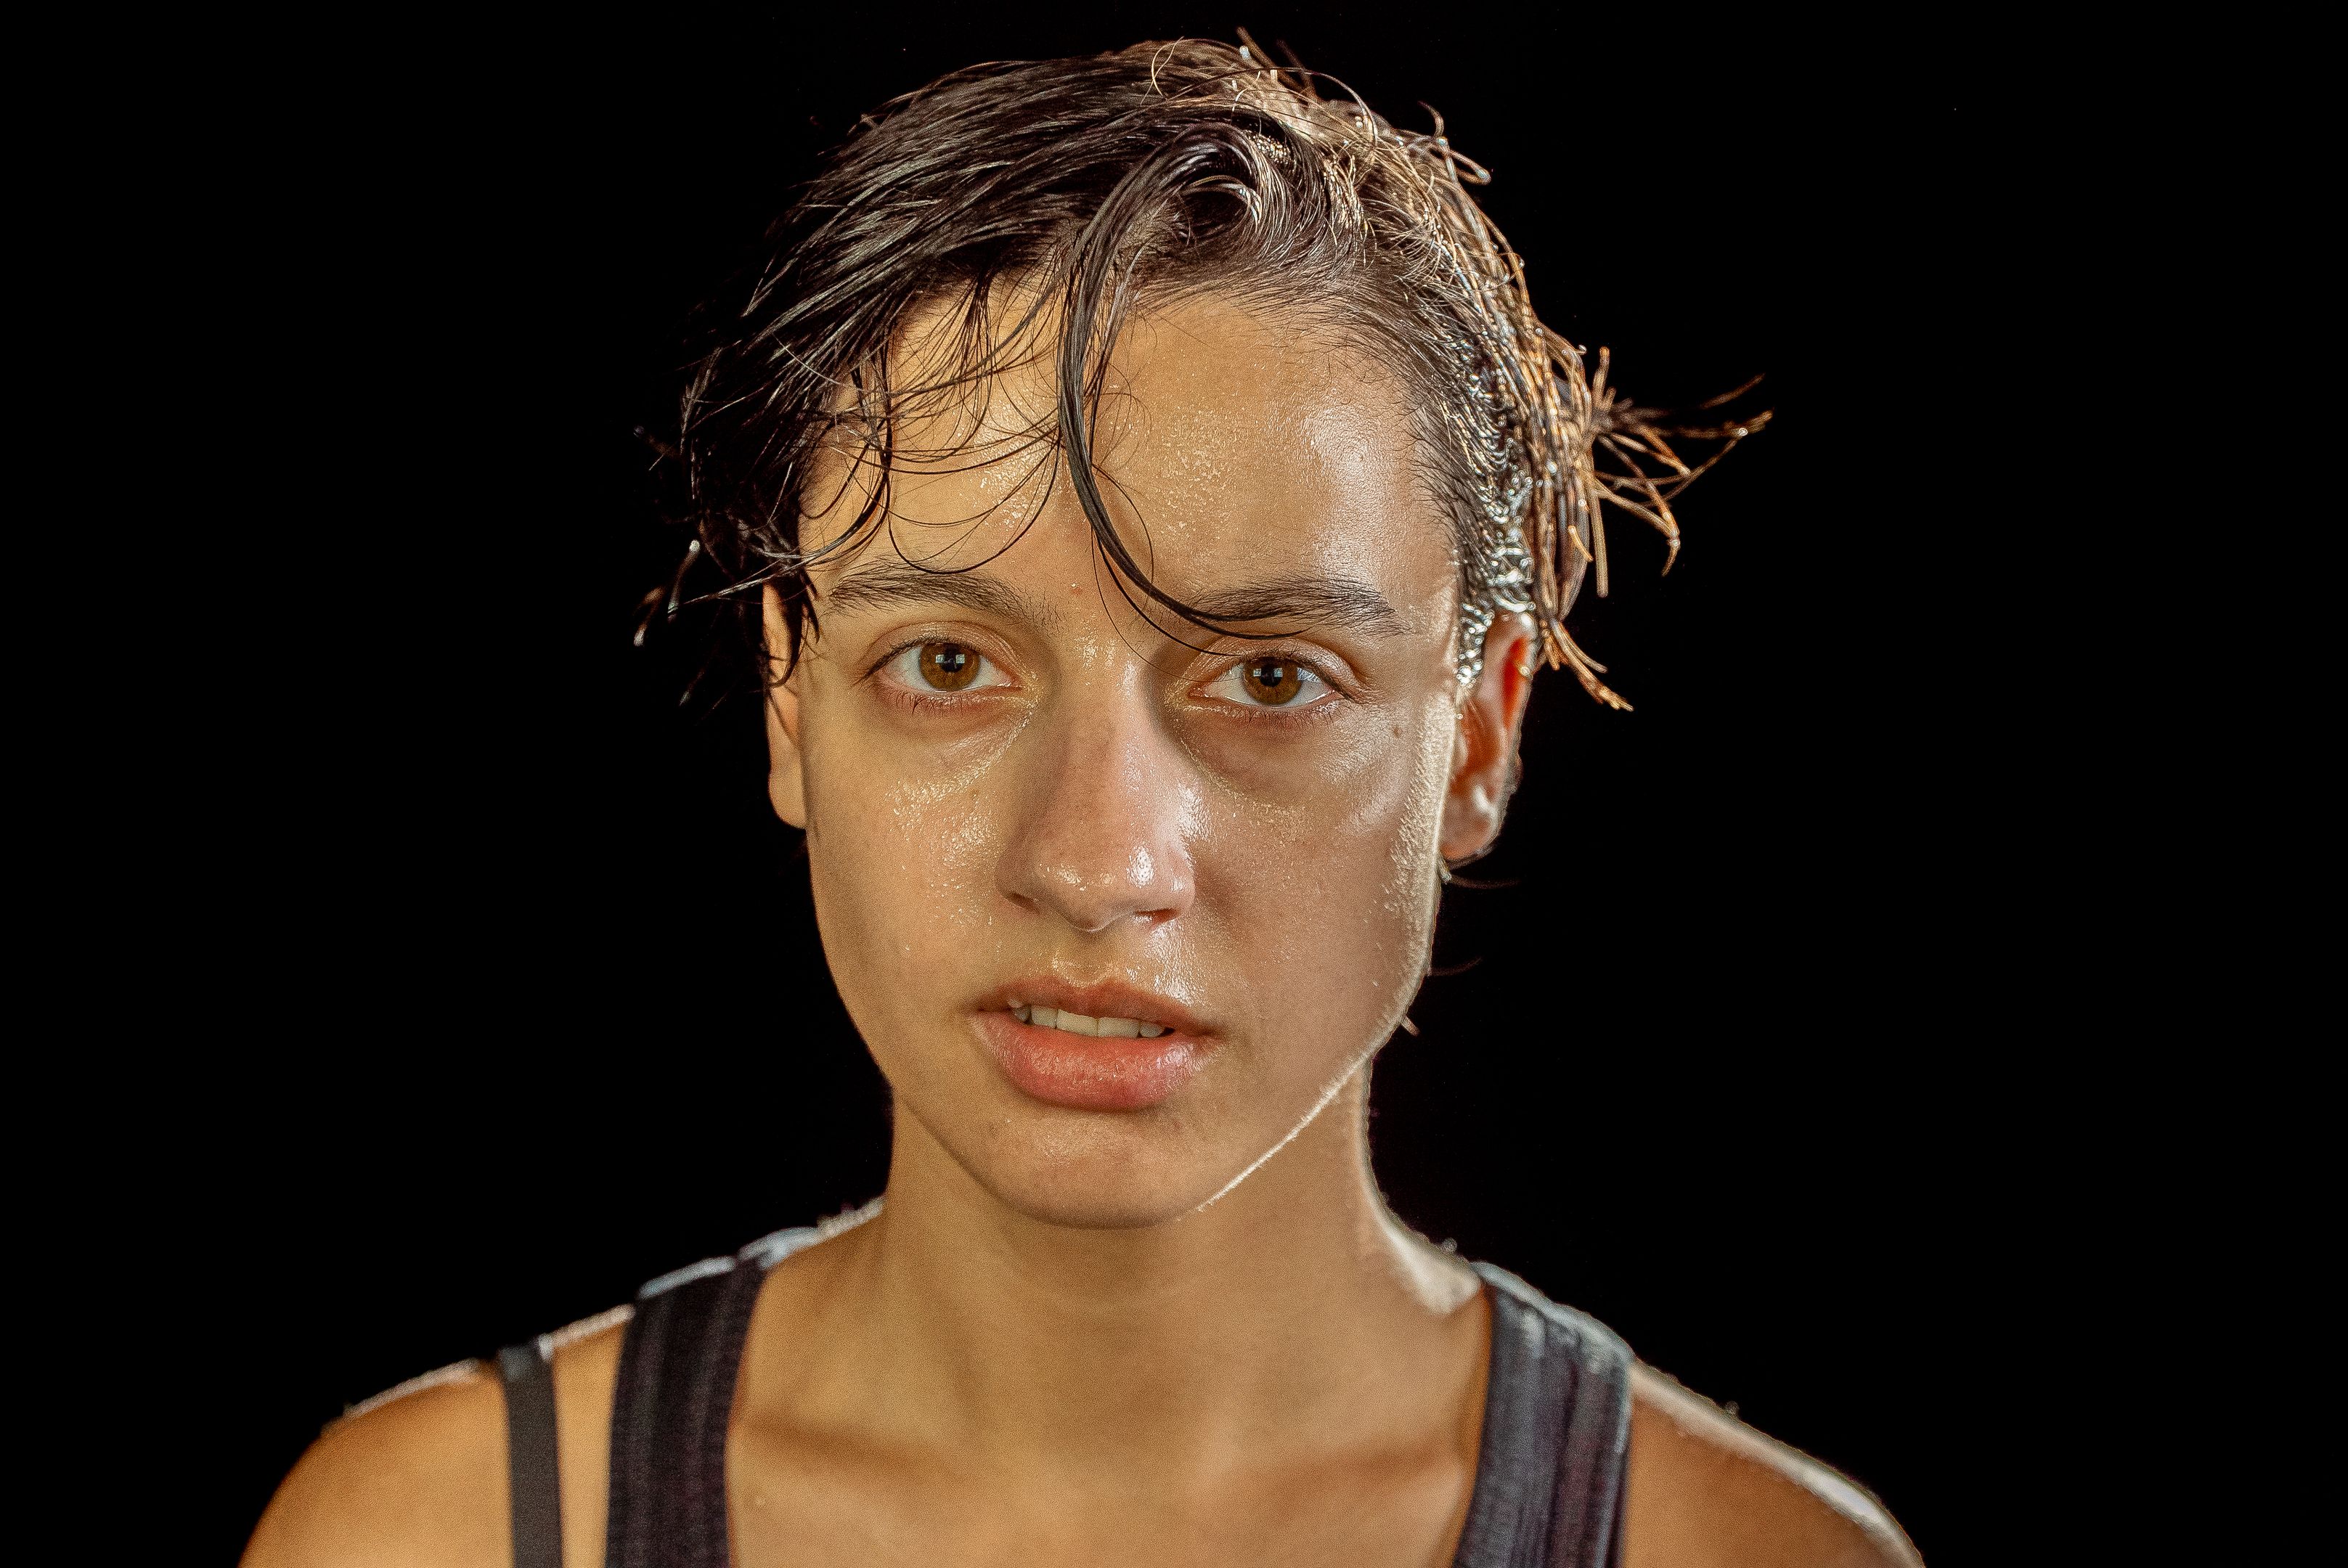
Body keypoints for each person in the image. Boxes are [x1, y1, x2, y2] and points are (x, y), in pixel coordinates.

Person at [245, 40, 1917, 1568]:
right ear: (788, 698)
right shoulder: (430, 1541)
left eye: (1272, 678)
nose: (1098, 863)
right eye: (948, 664)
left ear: (1479, 736)